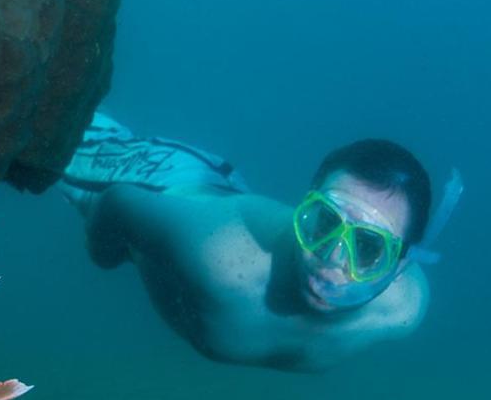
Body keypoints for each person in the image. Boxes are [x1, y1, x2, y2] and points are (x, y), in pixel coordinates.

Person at [59, 111, 462, 372]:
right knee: (50, 130)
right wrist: (106, 254)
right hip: (163, 183)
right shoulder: (218, 256)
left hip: (217, 207)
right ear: (302, 206)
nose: (333, 259)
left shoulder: (401, 312)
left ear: (400, 268)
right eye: (322, 223)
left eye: (369, 248)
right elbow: (118, 201)